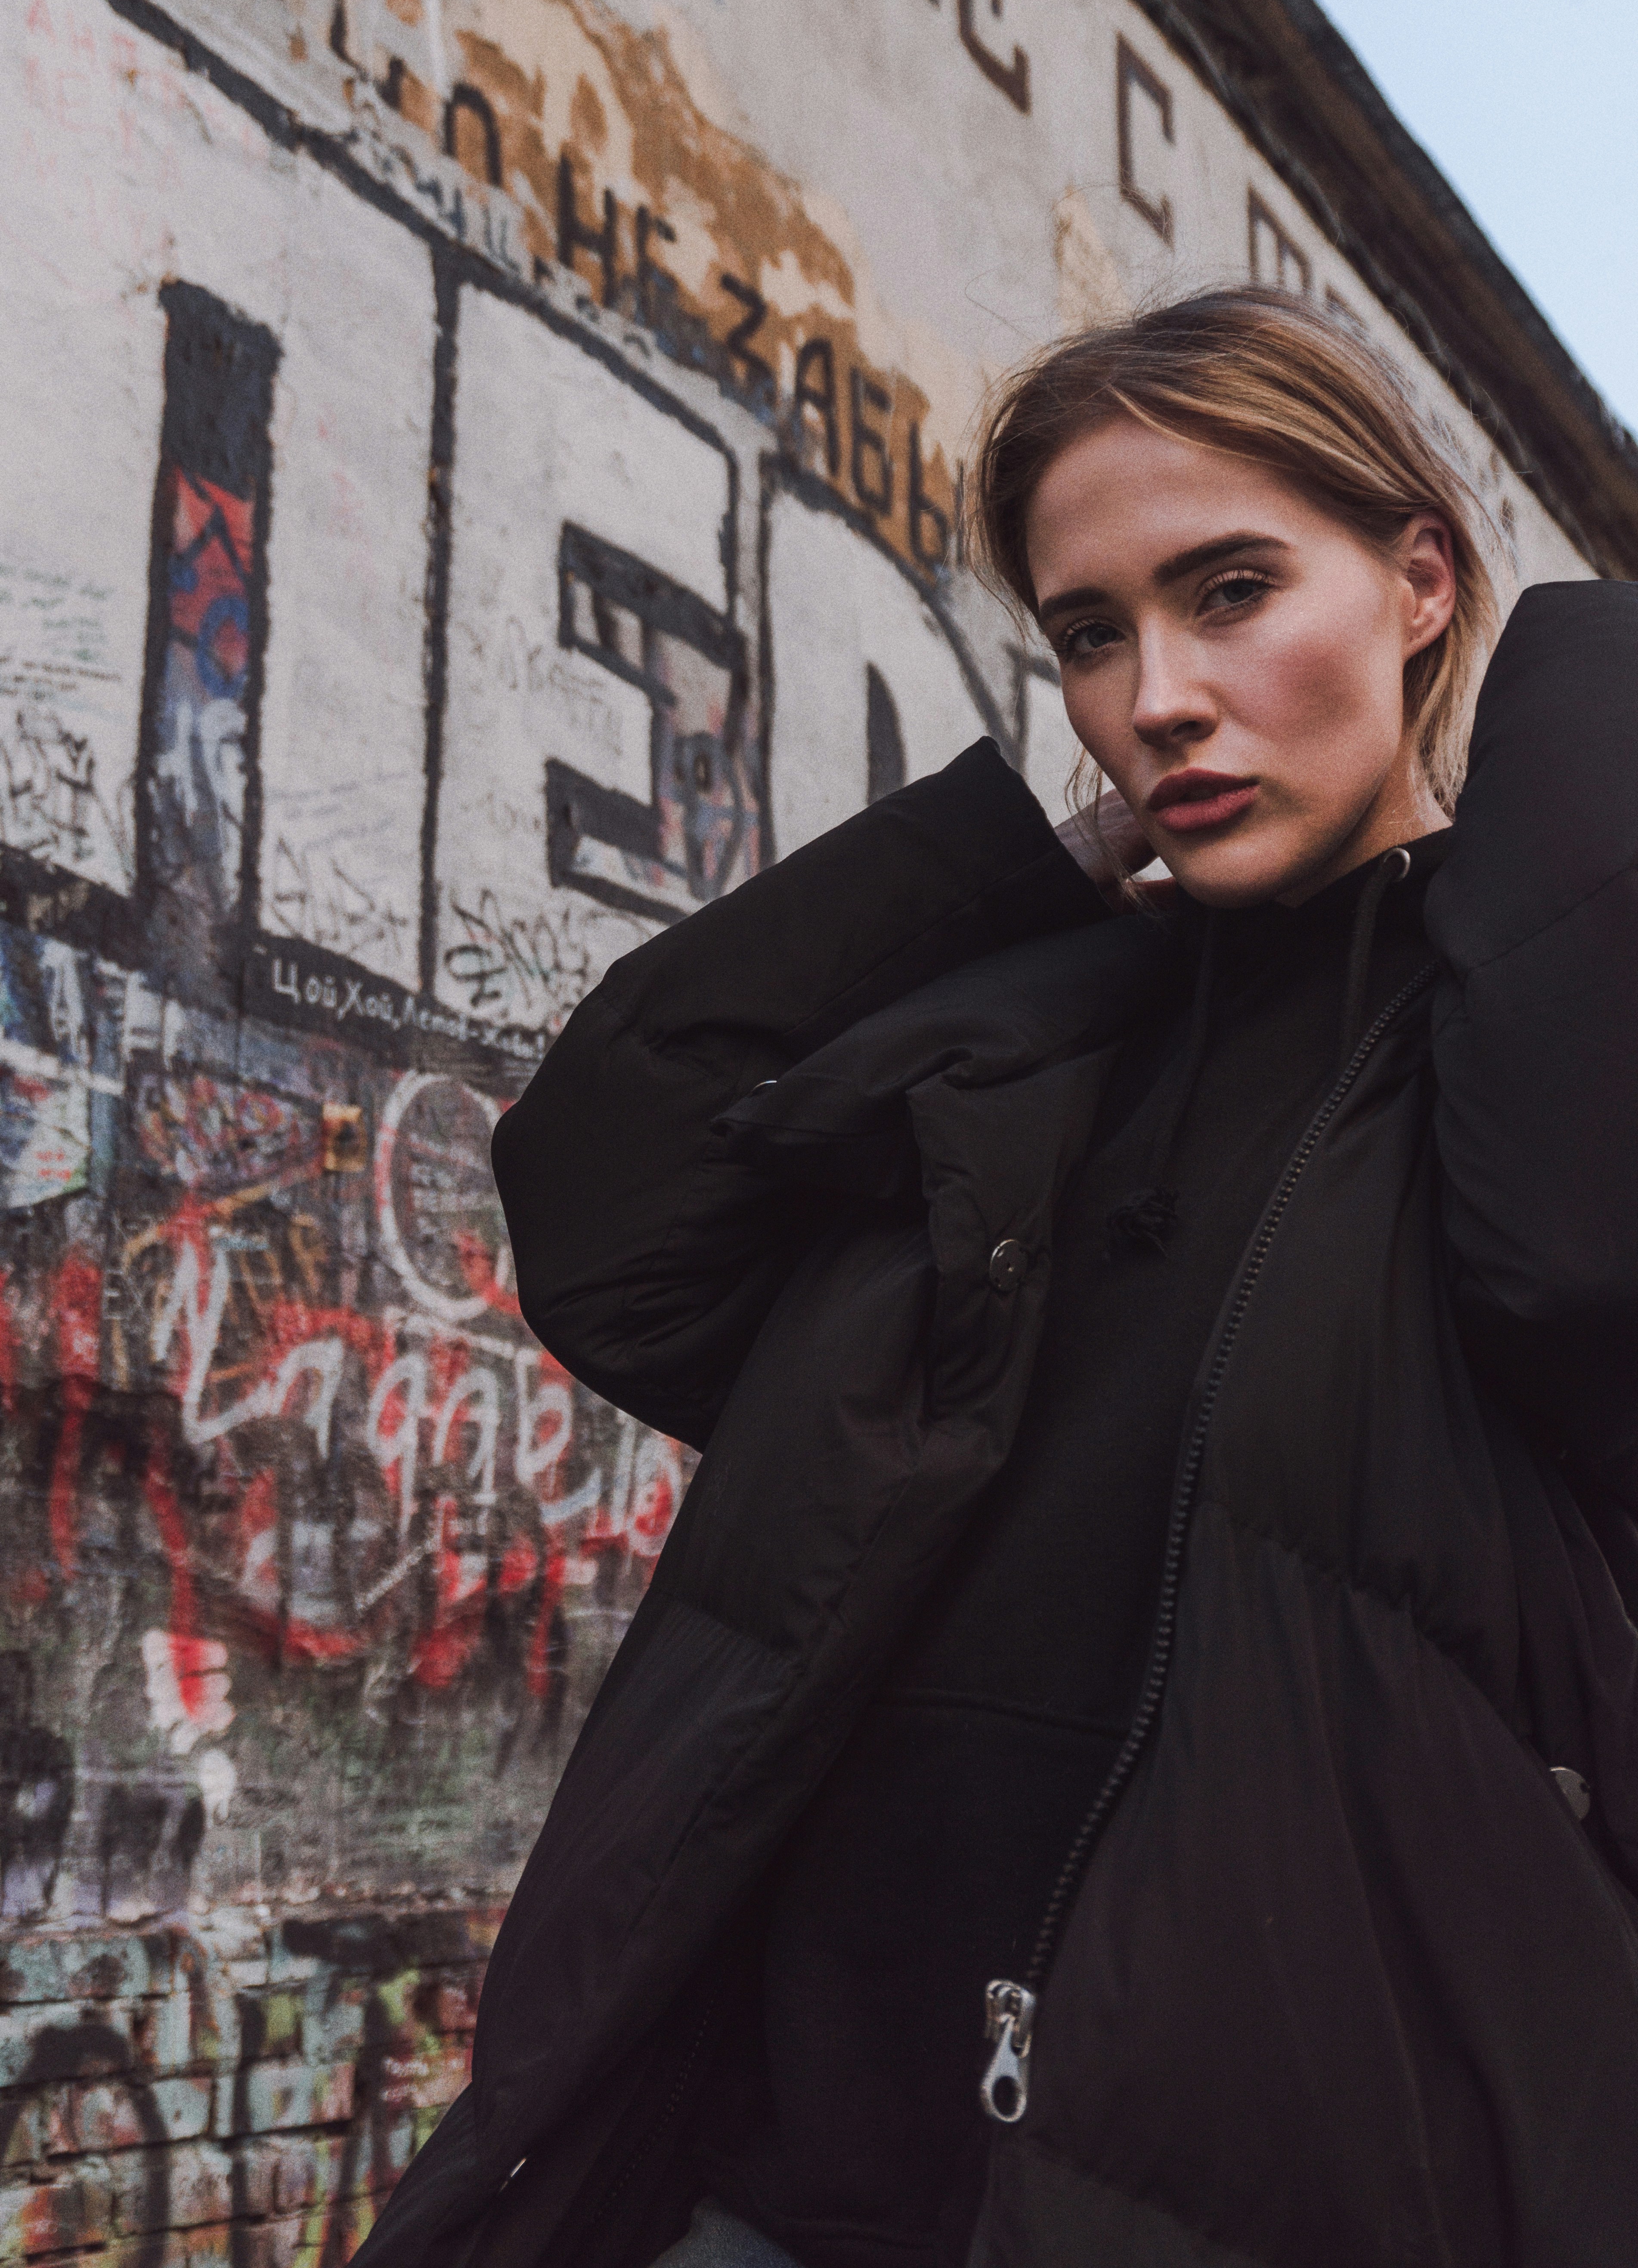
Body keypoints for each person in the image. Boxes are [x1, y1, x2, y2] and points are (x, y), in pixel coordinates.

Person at [356, 289, 1638, 2268]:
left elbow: (1581, 1262)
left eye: (1229, 589)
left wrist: (1560, 678)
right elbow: (609, 1198)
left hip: (1246, 2203)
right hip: (781, 2174)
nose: (1160, 693)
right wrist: (1024, 867)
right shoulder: (1031, 1051)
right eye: (1092, 633)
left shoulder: (1504, 1086)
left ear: (1418, 578)